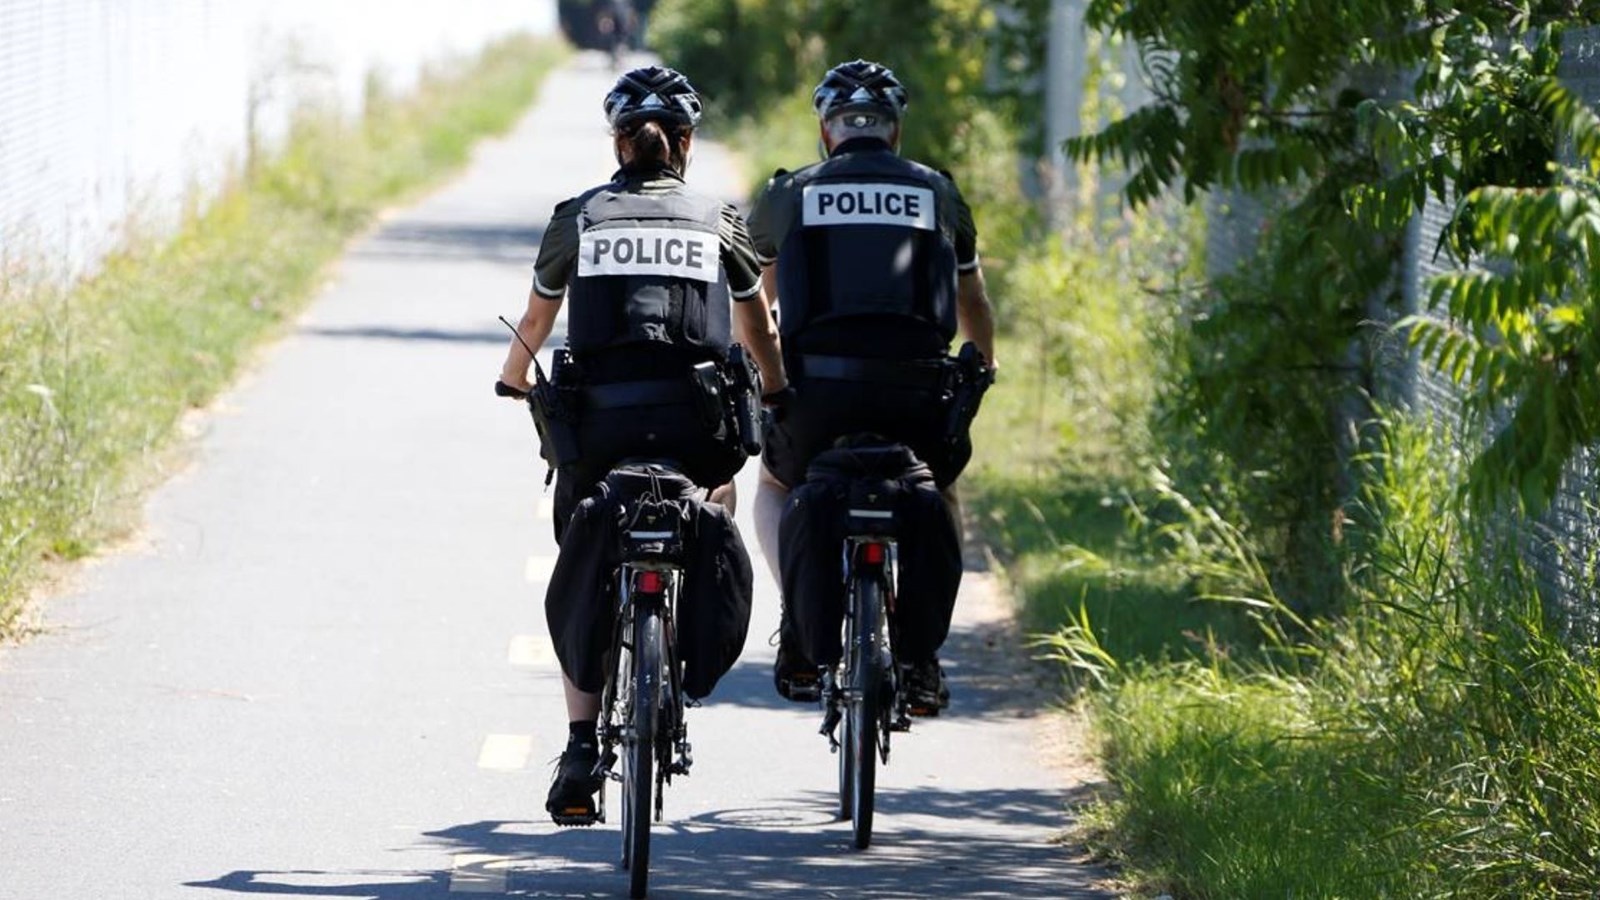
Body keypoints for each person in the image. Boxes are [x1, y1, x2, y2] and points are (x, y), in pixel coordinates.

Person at [497, 65, 785, 824]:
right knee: (715, 495)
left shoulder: (579, 218)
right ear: (685, 144)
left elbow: (534, 324)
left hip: (600, 430)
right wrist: (779, 387)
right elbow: (757, 329)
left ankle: (582, 740)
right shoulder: (719, 219)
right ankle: (684, 640)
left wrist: (510, 379)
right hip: (697, 428)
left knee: (585, 543)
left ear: (618, 144)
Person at [746, 59, 997, 712]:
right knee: (939, 490)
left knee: (775, 486)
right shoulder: (937, 192)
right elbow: (974, 305)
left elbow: (760, 301)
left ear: (827, 132)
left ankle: (800, 616)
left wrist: (766, 372)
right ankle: (924, 660)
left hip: (816, 398)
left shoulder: (791, 192)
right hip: (916, 398)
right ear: (895, 132)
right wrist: (984, 368)